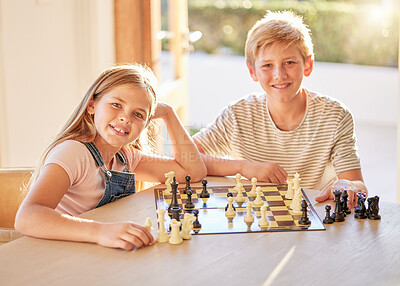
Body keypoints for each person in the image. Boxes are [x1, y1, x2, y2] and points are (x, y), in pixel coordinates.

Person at [15, 64, 206, 250]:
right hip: (57, 255)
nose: (125, 118)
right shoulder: (74, 153)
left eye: (138, 114)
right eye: (116, 104)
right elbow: (27, 217)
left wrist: (169, 114)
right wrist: (100, 232)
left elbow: (191, 172)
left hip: (95, 254)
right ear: (92, 105)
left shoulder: (125, 157)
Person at [193, 11, 367, 208]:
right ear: (253, 71)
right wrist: (244, 168)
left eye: (289, 62)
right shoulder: (237, 116)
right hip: (256, 220)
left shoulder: (334, 117)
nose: (279, 74)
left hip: (315, 223)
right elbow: (187, 157)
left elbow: (356, 183)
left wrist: (347, 185)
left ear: (308, 65)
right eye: (267, 65)